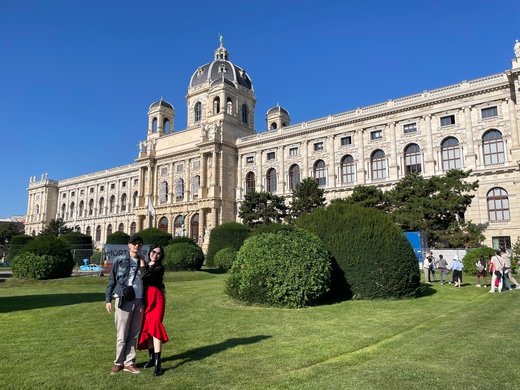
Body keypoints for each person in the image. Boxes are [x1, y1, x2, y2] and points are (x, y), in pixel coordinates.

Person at [105, 234, 146, 374]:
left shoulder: (142, 262)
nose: (136, 246)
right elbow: (112, 280)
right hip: (123, 299)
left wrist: (143, 268)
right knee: (122, 333)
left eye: (139, 244)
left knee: (134, 334)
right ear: (129, 245)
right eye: (134, 243)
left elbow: (146, 280)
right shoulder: (120, 259)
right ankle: (118, 362)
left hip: (139, 300)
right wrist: (108, 299)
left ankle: (130, 363)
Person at [138, 245, 169, 376]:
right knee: (148, 328)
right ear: (150, 252)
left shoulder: (159, 268)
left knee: (155, 326)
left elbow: (146, 276)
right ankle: (151, 358)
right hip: (146, 299)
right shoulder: (146, 264)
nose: (155, 255)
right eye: (153, 252)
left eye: (158, 254)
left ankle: (158, 364)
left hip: (156, 299)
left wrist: (142, 265)